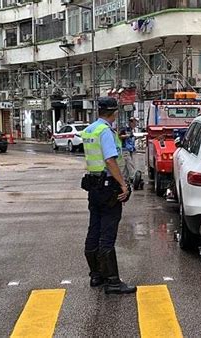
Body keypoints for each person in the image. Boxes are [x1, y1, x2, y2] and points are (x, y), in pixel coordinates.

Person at [81, 97, 136, 295]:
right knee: (107, 234)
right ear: (114, 113)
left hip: (93, 187)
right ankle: (112, 282)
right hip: (107, 187)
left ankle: (96, 275)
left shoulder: (89, 130)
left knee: (93, 230)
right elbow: (110, 160)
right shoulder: (105, 131)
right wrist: (123, 185)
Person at [119, 117, 137, 183]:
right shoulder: (125, 129)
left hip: (130, 149)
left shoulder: (132, 130)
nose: (135, 124)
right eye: (134, 123)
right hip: (125, 149)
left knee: (126, 165)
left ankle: (125, 178)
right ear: (130, 122)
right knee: (129, 163)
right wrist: (127, 136)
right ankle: (133, 177)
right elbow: (120, 136)